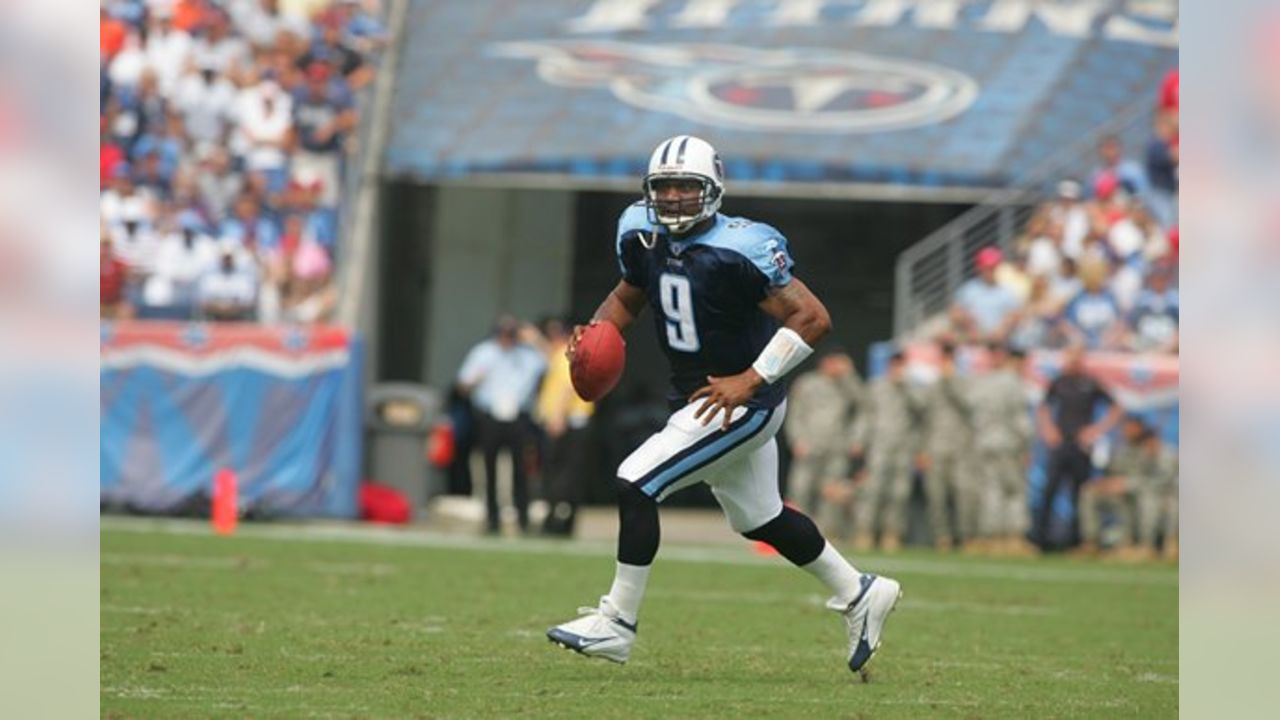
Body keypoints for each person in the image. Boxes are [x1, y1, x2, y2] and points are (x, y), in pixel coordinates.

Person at [546, 136, 901, 677]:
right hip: (700, 395)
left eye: (687, 188)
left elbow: (813, 319)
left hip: (737, 401)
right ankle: (859, 592)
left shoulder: (743, 247)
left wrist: (750, 378)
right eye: (664, 189)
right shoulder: (641, 234)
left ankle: (616, 624)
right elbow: (626, 297)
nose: (675, 200)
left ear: (712, 190)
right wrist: (597, 333)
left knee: (636, 480)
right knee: (761, 517)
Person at [457, 315, 548, 535]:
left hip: (518, 416)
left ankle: (523, 519)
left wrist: (535, 339)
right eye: (503, 334)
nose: (507, 339)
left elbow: (551, 361)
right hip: (490, 417)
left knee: (521, 469)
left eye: (511, 334)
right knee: (488, 469)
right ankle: (492, 519)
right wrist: (473, 382)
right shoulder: (483, 352)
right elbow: (463, 383)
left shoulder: (527, 355)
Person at [1033, 345, 1125, 549]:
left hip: (1081, 445)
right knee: (1050, 489)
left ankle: (1076, 540)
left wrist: (1096, 430)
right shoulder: (1058, 382)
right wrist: (1048, 430)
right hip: (1061, 443)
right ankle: (1040, 538)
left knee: (1079, 493)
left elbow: (1117, 408)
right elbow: (1044, 407)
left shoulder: (1090, 383)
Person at [849, 351, 925, 552]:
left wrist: (905, 387)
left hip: (904, 447)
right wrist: (859, 440)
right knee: (872, 490)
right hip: (879, 446)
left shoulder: (912, 388)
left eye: (901, 364)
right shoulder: (876, 386)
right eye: (894, 364)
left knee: (899, 493)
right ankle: (864, 532)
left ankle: (892, 534)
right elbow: (865, 415)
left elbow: (921, 411)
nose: (897, 368)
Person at [782, 346, 863, 534]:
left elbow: (864, 404)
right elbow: (795, 413)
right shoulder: (807, 383)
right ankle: (796, 531)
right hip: (810, 444)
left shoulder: (847, 385)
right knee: (801, 489)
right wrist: (796, 439)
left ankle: (826, 533)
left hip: (836, 446)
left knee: (831, 492)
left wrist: (849, 376)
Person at [1076, 415, 1178, 560]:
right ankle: (1091, 542)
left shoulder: (1154, 449)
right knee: (1089, 492)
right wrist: (1104, 482)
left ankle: (1146, 544)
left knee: (1148, 499)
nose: (1127, 432)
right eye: (1125, 429)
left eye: (1132, 428)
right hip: (1122, 495)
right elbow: (1110, 469)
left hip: (1148, 493)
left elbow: (1158, 479)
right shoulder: (1119, 448)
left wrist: (1127, 484)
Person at [969, 345, 1035, 556]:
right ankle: (1013, 538)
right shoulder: (1013, 383)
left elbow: (972, 411)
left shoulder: (984, 382)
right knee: (1014, 491)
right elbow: (1020, 420)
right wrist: (1026, 445)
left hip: (984, 443)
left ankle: (991, 538)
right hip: (1008, 444)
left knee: (991, 491)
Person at [534, 316, 596, 537]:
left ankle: (558, 520)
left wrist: (557, 417)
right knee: (567, 475)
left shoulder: (565, 357)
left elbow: (566, 389)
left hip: (569, 422)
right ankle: (563, 519)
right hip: (572, 422)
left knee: (561, 475)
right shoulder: (563, 355)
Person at [920, 343, 974, 551]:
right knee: (936, 495)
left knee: (964, 494)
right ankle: (942, 537)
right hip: (935, 446)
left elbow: (968, 406)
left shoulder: (964, 383)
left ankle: (966, 536)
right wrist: (922, 449)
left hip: (961, 447)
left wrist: (950, 381)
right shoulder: (931, 386)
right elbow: (924, 419)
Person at [949, 247, 1021, 344]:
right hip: (973, 342)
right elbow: (955, 314)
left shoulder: (1007, 292)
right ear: (979, 267)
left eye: (993, 267)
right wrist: (966, 320)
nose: (990, 271)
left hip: (999, 344)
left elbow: (1016, 316)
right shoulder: (968, 289)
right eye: (987, 267)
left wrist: (1003, 329)